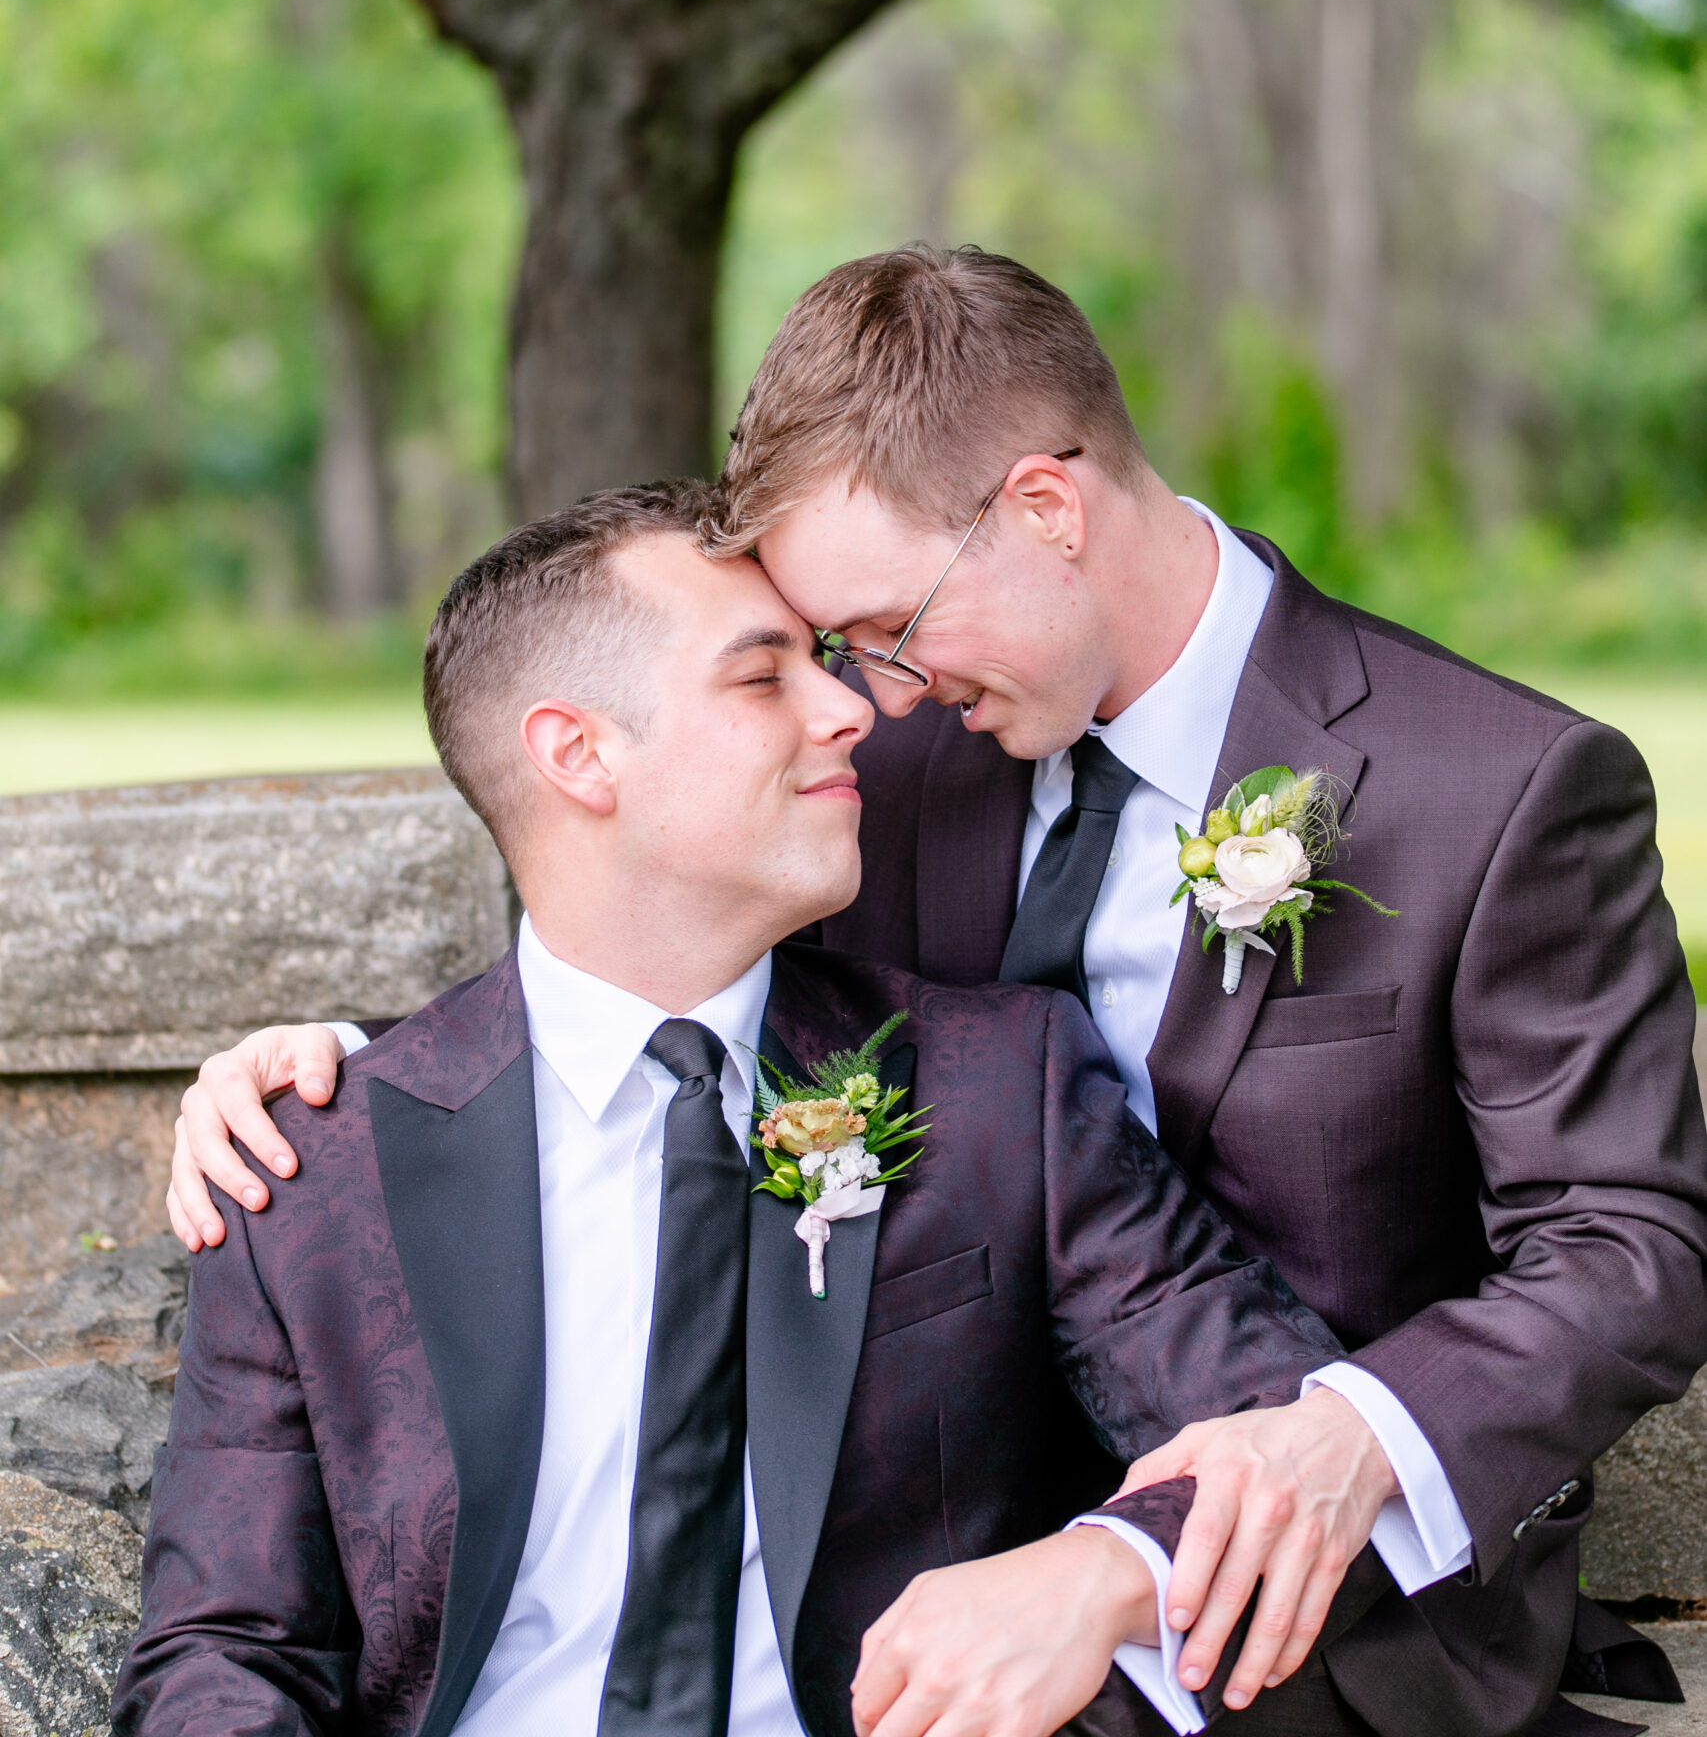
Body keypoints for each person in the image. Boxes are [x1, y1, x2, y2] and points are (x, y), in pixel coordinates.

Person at [168, 248, 1707, 1735]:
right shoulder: (885, 771)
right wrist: (352, 1085)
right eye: (819, 654)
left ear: (1044, 506)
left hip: (1301, 1586)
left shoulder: (1490, 787)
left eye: (883, 633)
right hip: (892, 1562)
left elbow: (1626, 1245)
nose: (865, 697)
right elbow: (644, 937)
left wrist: (1326, 1451)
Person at [117, 486, 1395, 1737]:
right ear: (578, 754)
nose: (850, 711)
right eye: (761, 676)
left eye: (825, 665)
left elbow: (1275, 1443)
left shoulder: (1000, 1087)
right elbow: (227, 1648)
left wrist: (1096, 1573)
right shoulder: (308, 1164)